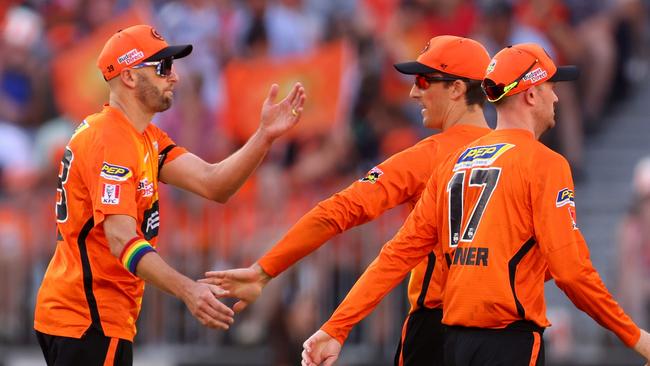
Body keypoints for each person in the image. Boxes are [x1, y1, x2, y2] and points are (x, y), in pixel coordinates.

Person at [301, 43, 650, 366]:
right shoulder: (545, 164)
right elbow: (572, 272)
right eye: (551, 87)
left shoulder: (454, 161)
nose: (556, 98)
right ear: (531, 95)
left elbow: (395, 256)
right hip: (508, 342)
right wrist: (634, 336)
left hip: (454, 345)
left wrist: (336, 327)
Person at [202, 35, 492, 365]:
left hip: (439, 328)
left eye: (424, 81)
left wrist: (264, 270)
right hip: (509, 329)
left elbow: (338, 213)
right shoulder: (528, 159)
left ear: (456, 89)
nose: (414, 92)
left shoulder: (426, 157)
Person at [33, 24, 305, 366]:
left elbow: (214, 183)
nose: (173, 77)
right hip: (90, 319)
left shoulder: (143, 137)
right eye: (162, 68)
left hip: (85, 315)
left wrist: (264, 136)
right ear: (130, 77)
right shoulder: (112, 139)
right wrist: (188, 290)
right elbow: (121, 240)